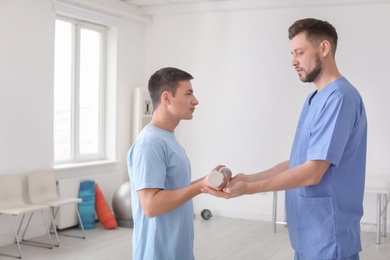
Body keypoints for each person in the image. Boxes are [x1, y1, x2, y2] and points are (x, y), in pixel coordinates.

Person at [203, 18, 367, 260]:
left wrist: (249, 189)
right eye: (292, 53)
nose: (293, 61)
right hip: (308, 232)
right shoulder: (314, 100)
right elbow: (300, 161)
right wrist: (249, 177)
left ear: (324, 48)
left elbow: (313, 172)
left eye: (299, 52)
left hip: (329, 236)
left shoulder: (340, 98)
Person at [127, 67, 221, 260]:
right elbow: (151, 206)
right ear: (167, 98)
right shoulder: (150, 143)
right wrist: (200, 186)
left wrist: (204, 182)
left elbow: (175, 190)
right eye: (188, 94)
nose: (195, 101)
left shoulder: (166, 138)